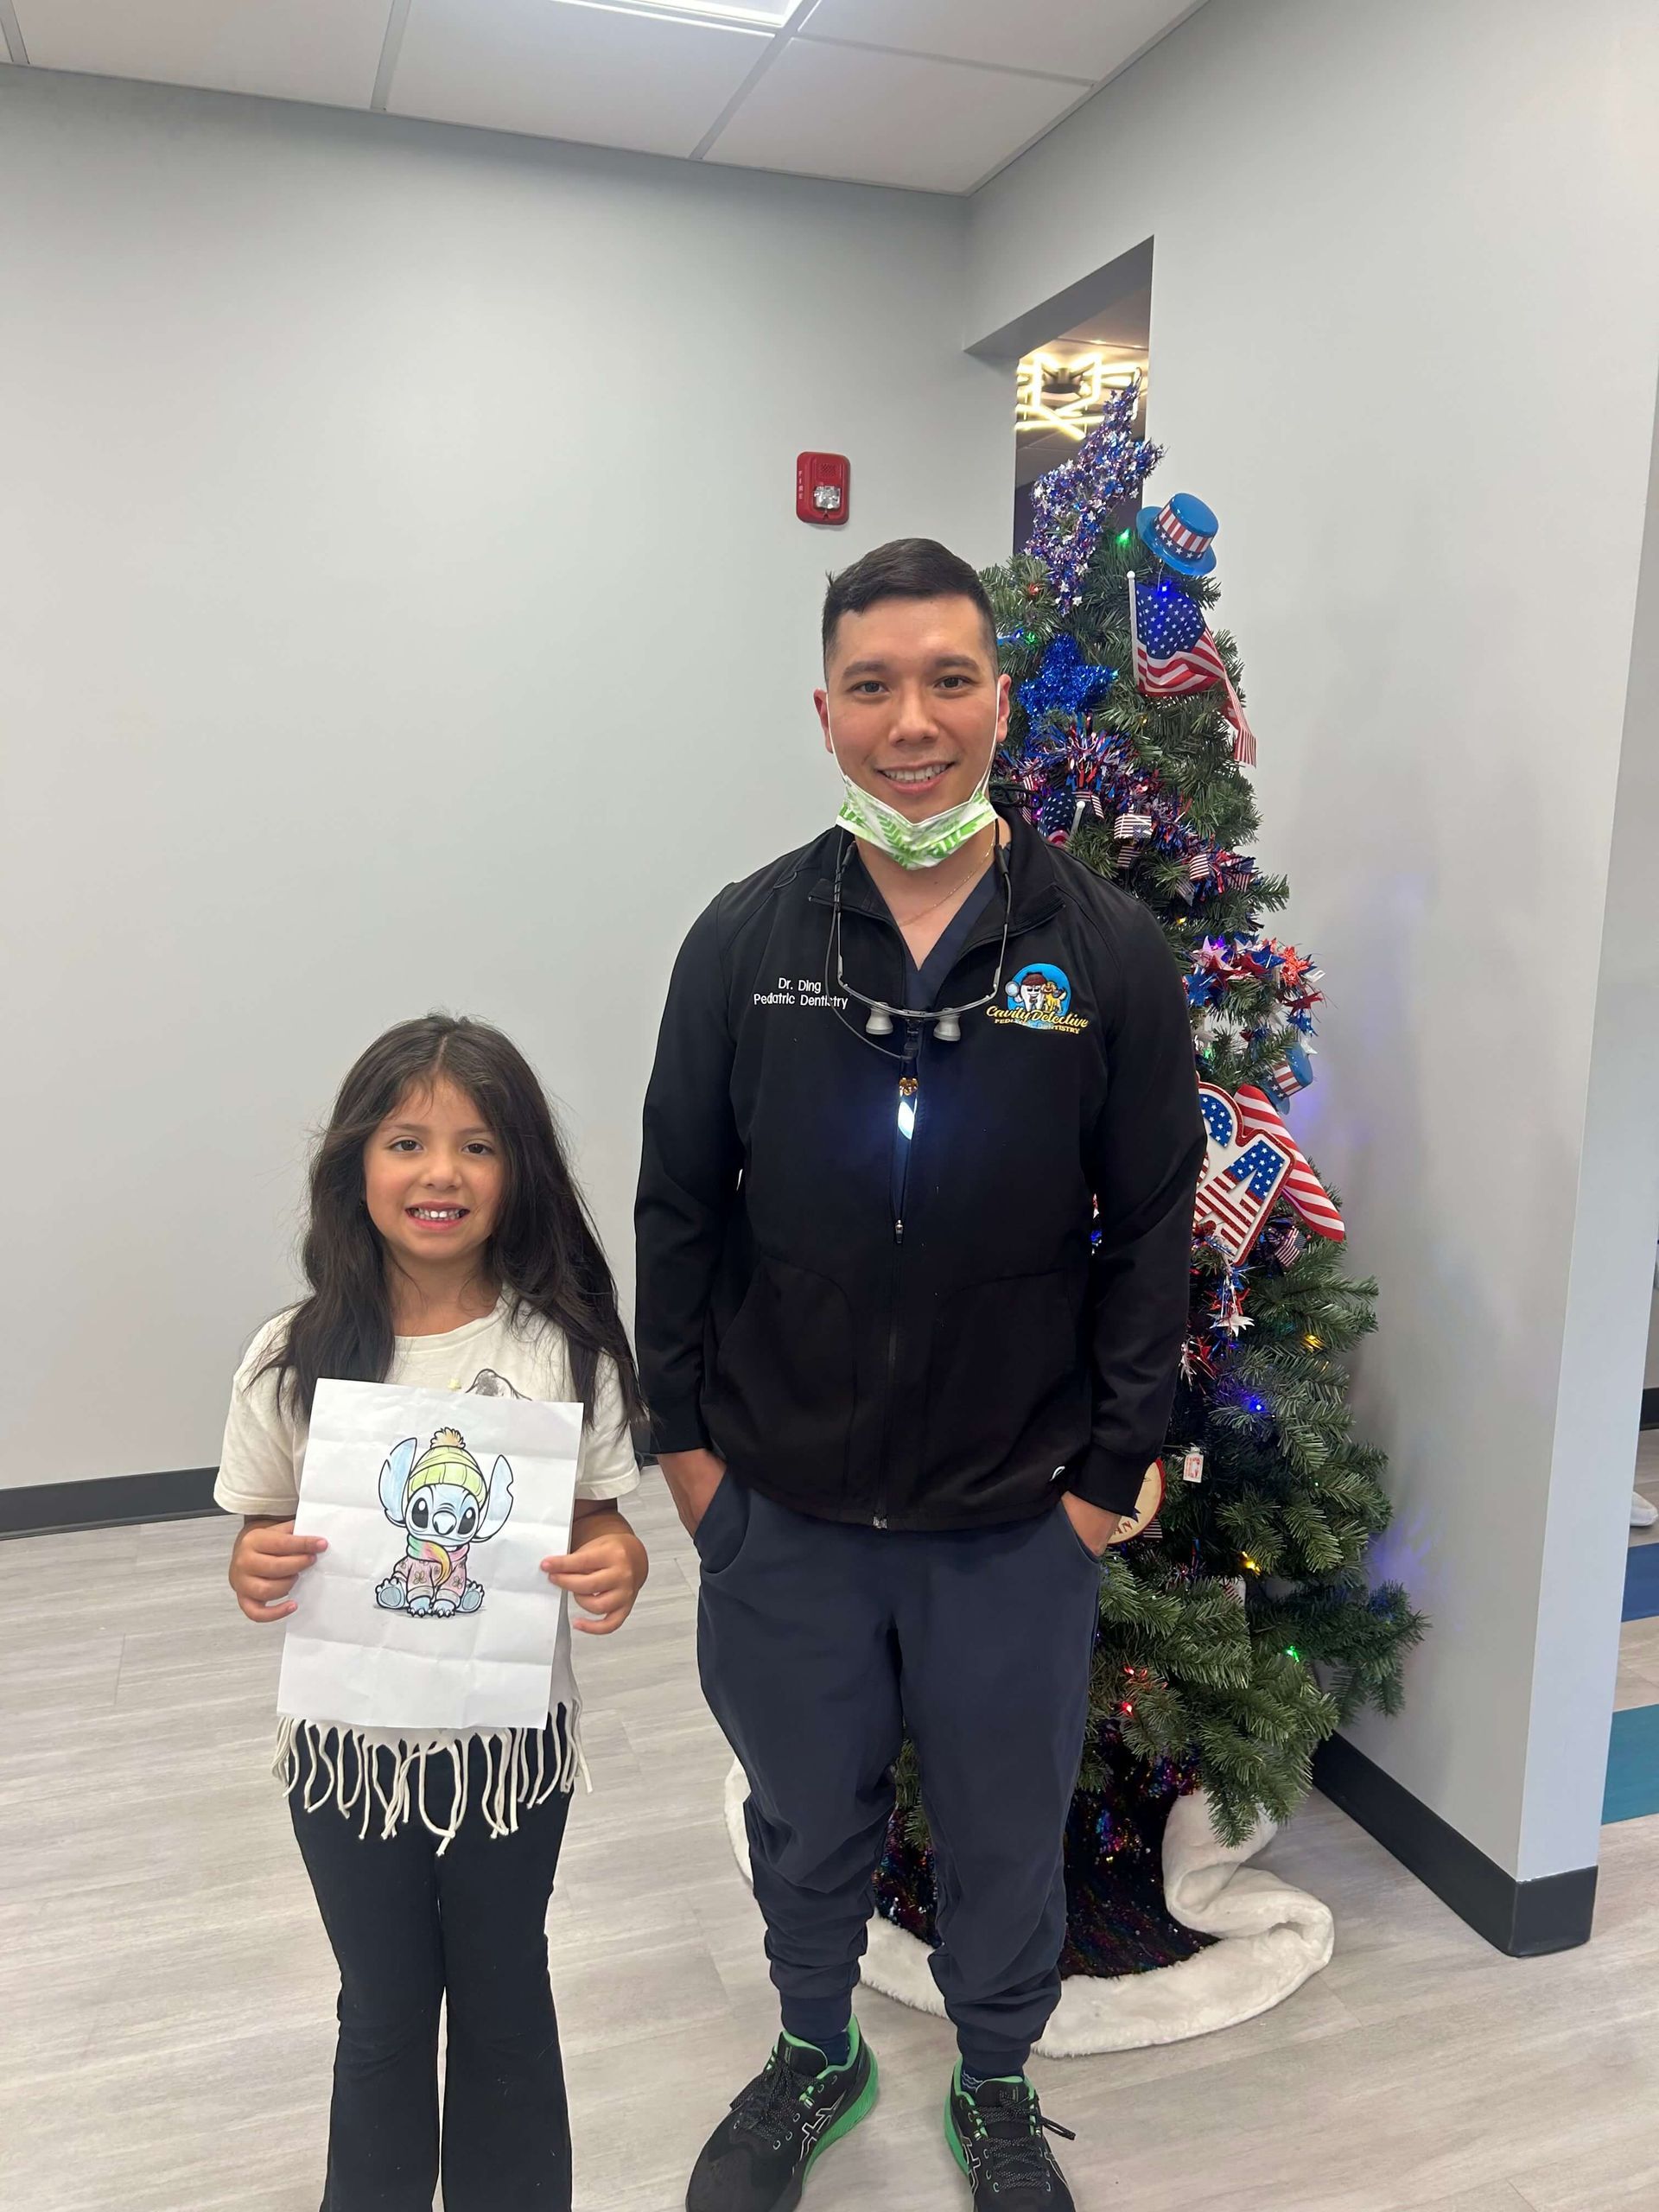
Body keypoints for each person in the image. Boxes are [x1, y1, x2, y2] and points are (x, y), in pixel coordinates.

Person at [636, 538, 1206, 2212]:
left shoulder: (1102, 950)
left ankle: (1002, 2080)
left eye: (949, 679)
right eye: (874, 685)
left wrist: (1110, 1469)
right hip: (784, 1505)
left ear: (1000, 700)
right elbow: (677, 1204)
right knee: (806, 1820)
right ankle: (816, 2043)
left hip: (1015, 1514)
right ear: (824, 713)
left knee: (1002, 1830)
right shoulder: (742, 940)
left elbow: (1155, 1220)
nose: (913, 720)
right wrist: (685, 1451)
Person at [216, 1014, 648, 2212]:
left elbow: (602, 1519)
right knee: (384, 2006)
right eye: (407, 1141)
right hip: (349, 1760)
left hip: (509, 1750)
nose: (441, 1173)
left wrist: (620, 1563)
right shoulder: (290, 1358)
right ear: (356, 1165)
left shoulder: (565, 1352)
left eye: (476, 1145)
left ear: (520, 1173)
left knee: (508, 1994)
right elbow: (254, 1532)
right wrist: (254, 1568)